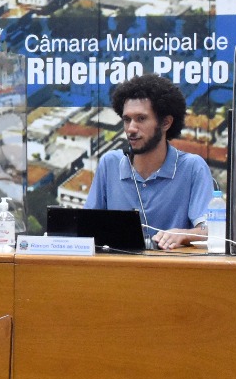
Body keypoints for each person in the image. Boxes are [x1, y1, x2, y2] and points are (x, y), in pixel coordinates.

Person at [85, 74, 216, 250]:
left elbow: (211, 231)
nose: (131, 128)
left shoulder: (193, 167)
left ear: (166, 122)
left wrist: (183, 235)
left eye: (141, 118)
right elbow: (85, 229)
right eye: (127, 119)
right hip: (118, 273)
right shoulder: (109, 164)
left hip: (172, 272)